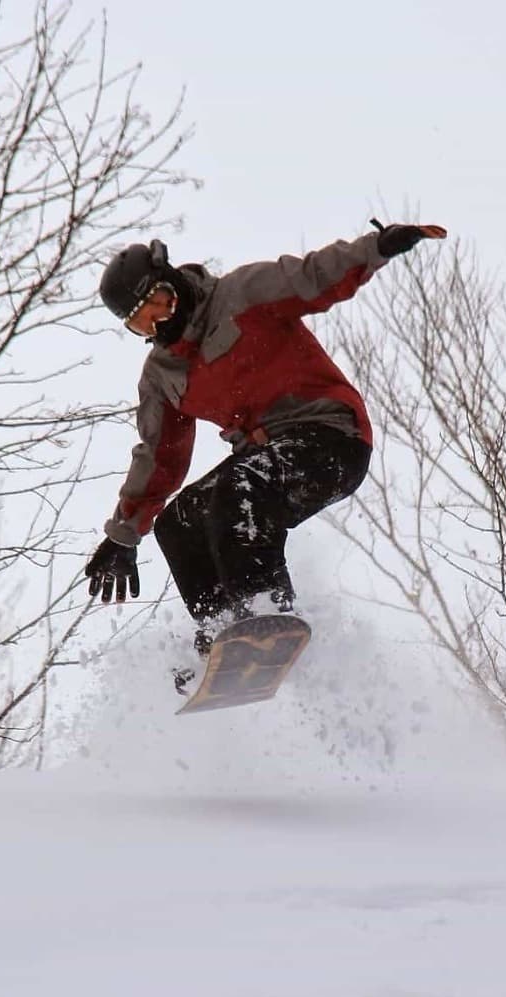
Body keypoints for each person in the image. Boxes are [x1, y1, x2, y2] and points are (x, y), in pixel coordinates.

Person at [84, 219, 447, 677]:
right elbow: (160, 456)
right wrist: (124, 532)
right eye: (142, 321)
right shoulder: (163, 374)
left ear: (171, 280)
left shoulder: (242, 294)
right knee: (179, 523)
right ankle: (221, 632)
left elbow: (314, 276)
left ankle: (262, 610)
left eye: (160, 303)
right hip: (264, 455)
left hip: (330, 437)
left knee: (240, 488)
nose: (160, 322)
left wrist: (377, 247)